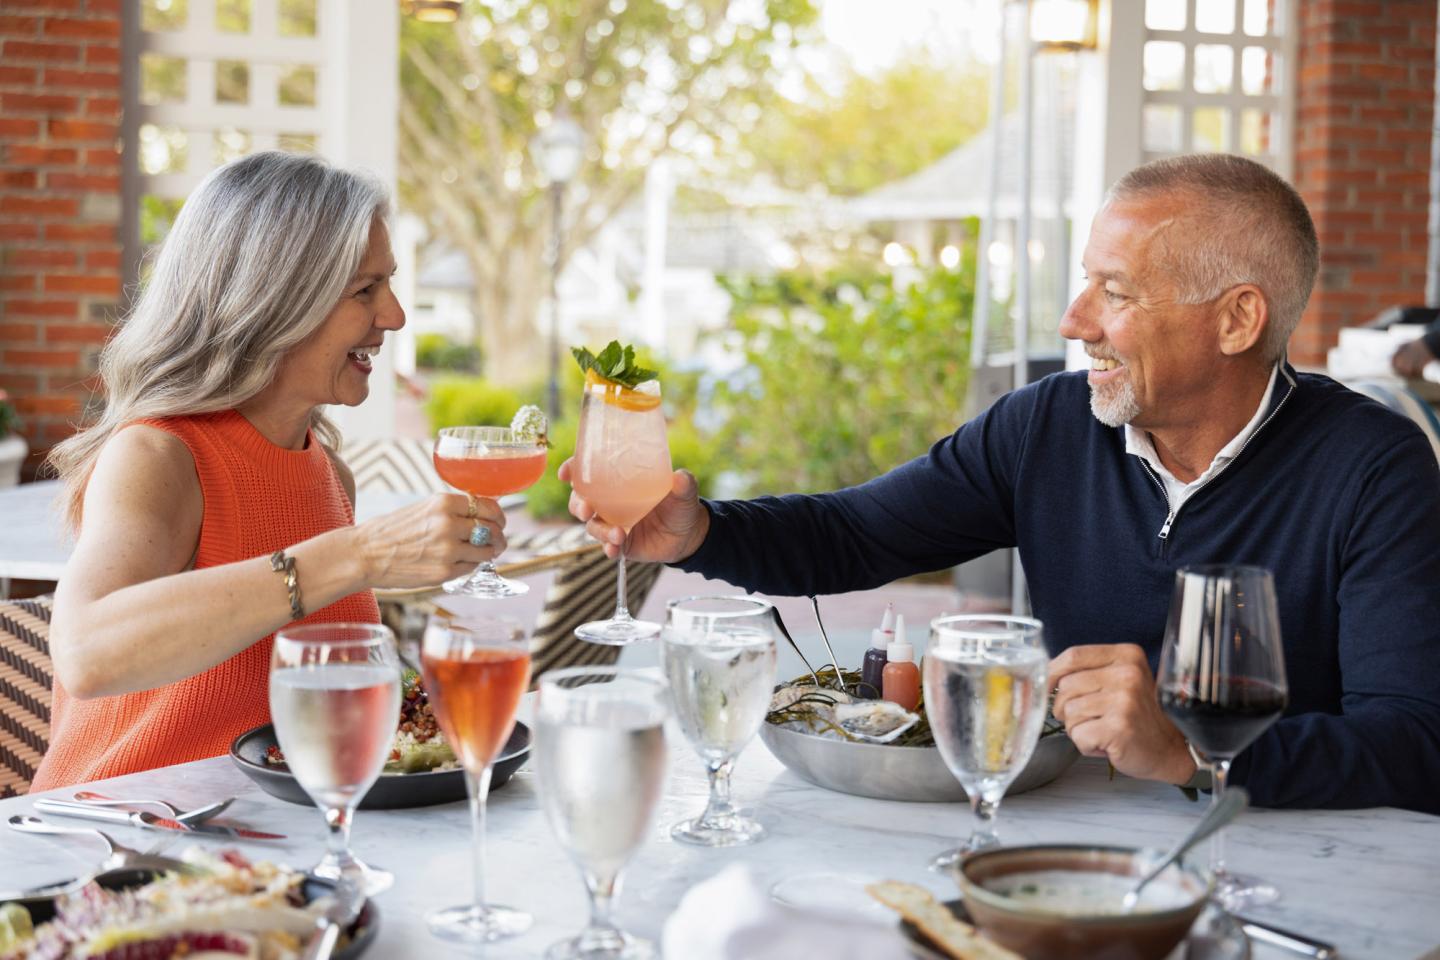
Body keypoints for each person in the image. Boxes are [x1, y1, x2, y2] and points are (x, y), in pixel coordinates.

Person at [563, 153, 1440, 813]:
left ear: (1238, 318)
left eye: (1116, 291)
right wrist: (702, 532)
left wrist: (1188, 750)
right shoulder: (1047, 427)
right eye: (1083, 282)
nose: (1074, 321)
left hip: (1289, 863)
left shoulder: (1375, 468)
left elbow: (1412, 745)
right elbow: (856, 533)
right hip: (1069, 839)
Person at [31, 152, 509, 790]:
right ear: (275, 301)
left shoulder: (329, 474)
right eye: (365, 290)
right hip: (125, 843)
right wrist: (359, 554)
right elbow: (86, 652)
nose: (394, 316)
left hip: (281, 840)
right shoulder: (158, 454)